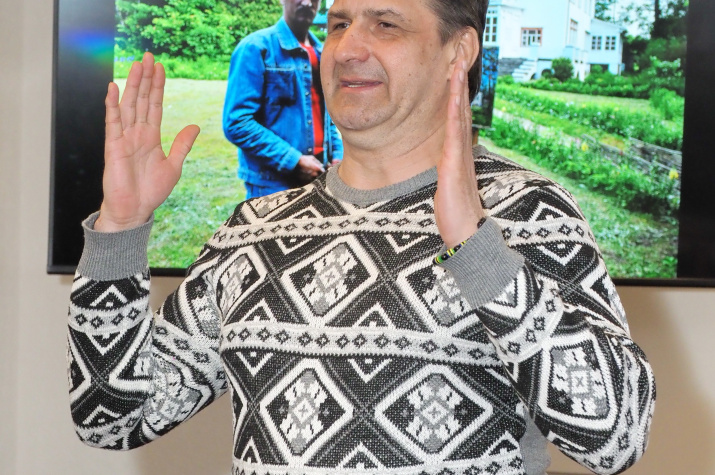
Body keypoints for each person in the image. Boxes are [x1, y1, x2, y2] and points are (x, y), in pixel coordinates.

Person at [67, 1, 655, 474]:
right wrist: (120, 229)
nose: (347, 48)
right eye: (339, 23)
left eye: (386, 24)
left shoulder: (524, 210)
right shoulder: (253, 230)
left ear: (459, 50)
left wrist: (475, 248)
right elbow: (111, 418)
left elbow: (618, 437)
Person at [223, 0, 343, 199]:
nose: (307, 2)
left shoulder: (322, 53)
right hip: (273, 184)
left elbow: (326, 117)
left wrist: (337, 155)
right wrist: (293, 160)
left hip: (320, 178)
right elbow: (237, 122)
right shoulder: (255, 48)